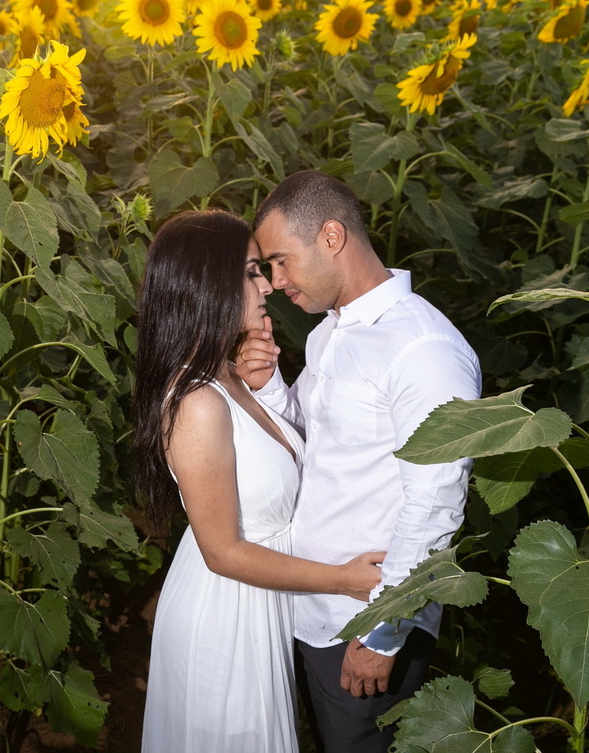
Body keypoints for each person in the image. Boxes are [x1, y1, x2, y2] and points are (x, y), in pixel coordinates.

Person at [235, 171, 482, 753]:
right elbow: (316, 442)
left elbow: (436, 503)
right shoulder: (329, 332)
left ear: (331, 236)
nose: (274, 282)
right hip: (308, 605)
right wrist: (270, 388)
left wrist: (383, 634)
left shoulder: (424, 349)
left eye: (281, 261)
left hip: (363, 623)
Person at [133, 209, 386, 753]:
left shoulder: (227, 375)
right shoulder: (197, 402)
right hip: (224, 614)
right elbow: (223, 552)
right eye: (252, 271)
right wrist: (342, 580)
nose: (268, 285)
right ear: (209, 284)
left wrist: (268, 386)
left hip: (258, 604)